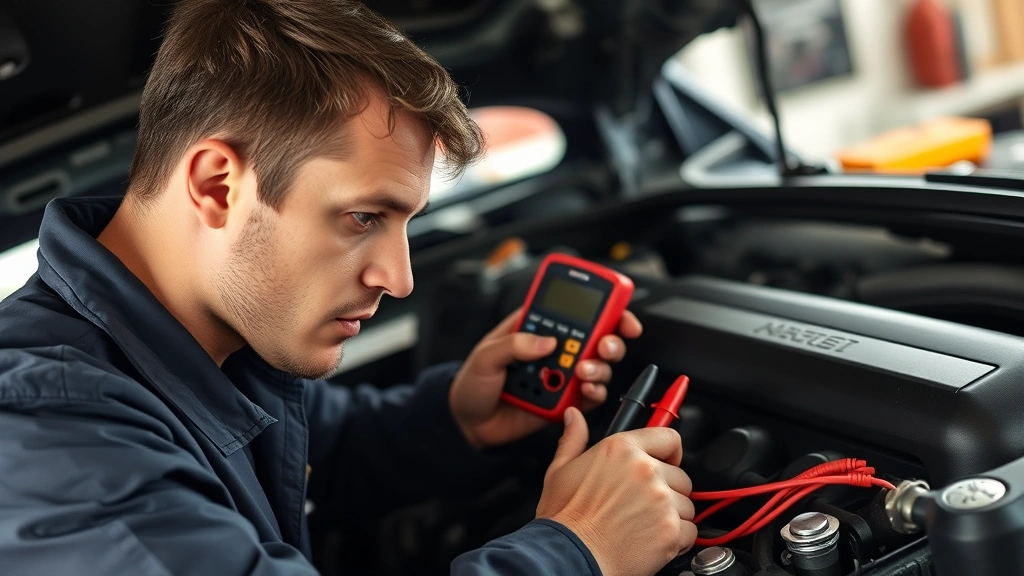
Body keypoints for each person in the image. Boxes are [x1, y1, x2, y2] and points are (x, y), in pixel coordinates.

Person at [0, 1, 697, 575]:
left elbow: (309, 456)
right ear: (218, 185)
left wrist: (454, 418)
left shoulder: (209, 338)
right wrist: (577, 551)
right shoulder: (52, 440)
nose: (397, 277)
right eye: (363, 218)